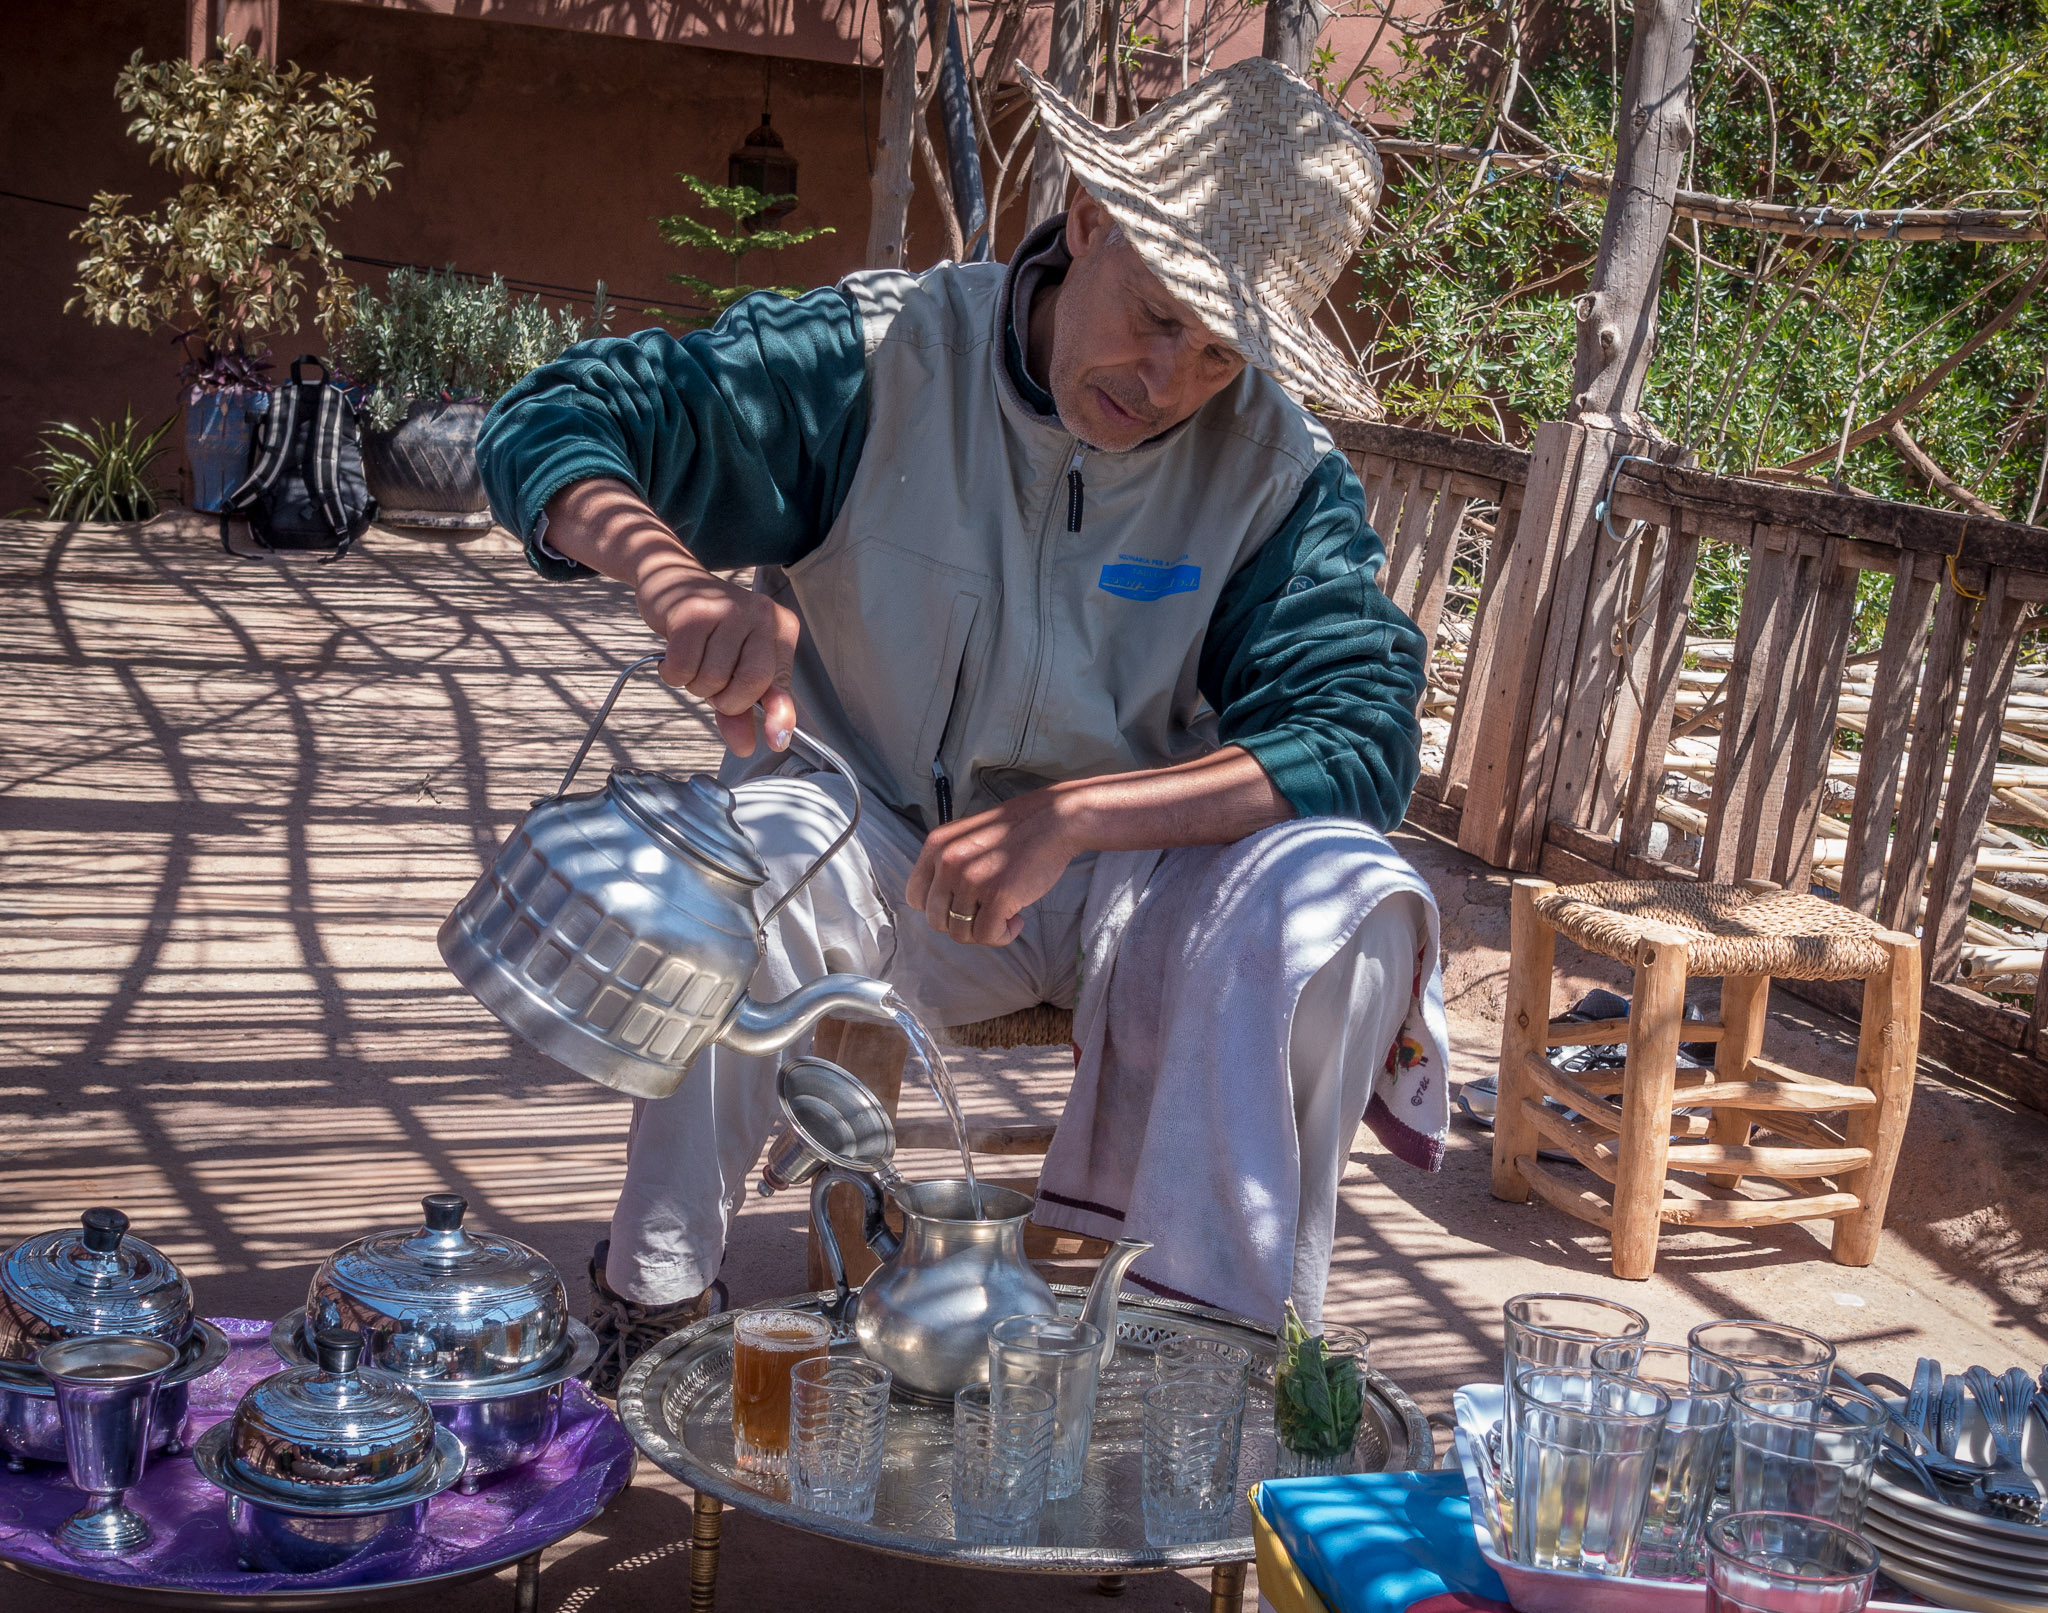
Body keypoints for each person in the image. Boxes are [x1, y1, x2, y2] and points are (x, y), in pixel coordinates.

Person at [478, 57, 1452, 1395]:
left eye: (1219, 351)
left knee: (1344, 897)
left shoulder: (1276, 474)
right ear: (1091, 216)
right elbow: (560, 414)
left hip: (1134, 885)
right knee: (741, 870)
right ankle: (651, 1307)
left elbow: (1358, 738)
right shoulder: (884, 361)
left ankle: (1210, 1352)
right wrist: (675, 580)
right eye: (1159, 317)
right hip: (870, 844)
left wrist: (1075, 819)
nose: (1170, 379)